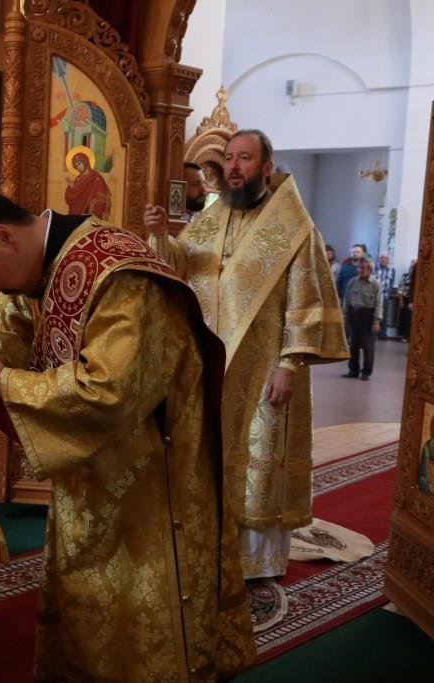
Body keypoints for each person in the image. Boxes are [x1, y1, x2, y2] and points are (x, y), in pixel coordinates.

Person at [0, 191, 255, 680]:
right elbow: (6, 337)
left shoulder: (119, 275)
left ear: (3, 237)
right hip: (90, 469)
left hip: (150, 477)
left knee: (143, 611)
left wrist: (5, 382)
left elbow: (111, 392)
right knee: (91, 599)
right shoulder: (40, 270)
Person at [144, 128, 348, 581]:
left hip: (264, 368)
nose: (233, 167)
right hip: (209, 364)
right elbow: (181, 267)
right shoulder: (212, 218)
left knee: (259, 459)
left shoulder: (293, 227)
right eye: (229, 158)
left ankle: (256, 562)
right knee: (209, 455)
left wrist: (289, 365)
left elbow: (305, 300)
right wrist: (160, 237)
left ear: (266, 167)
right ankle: (211, 546)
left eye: (245, 159)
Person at [342, 258, 382, 380]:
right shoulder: (352, 282)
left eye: (363, 267)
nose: (361, 270)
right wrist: (345, 316)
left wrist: (376, 321)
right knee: (353, 345)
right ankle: (353, 370)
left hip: (368, 316)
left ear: (369, 269)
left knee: (367, 347)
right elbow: (347, 300)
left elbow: (379, 303)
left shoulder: (375, 284)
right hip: (354, 315)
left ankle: (366, 372)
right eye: (359, 267)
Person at [63, 151, 110, 218]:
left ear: (85, 161)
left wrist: (92, 207)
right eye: (76, 166)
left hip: (90, 211)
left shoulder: (96, 178)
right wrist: (71, 188)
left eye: (79, 163)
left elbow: (102, 197)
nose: (78, 167)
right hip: (76, 212)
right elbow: (70, 198)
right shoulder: (78, 178)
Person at [374, 253, 395, 339]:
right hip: (374, 295)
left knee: (384, 315)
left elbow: (391, 282)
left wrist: (388, 293)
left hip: (385, 295)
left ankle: (382, 334)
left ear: (388, 260)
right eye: (382, 258)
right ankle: (373, 333)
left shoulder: (392, 269)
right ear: (379, 259)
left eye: (385, 258)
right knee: (374, 313)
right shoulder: (374, 267)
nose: (383, 259)